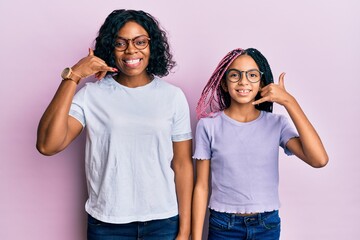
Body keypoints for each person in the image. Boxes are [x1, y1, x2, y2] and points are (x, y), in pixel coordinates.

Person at [36, 9, 193, 240]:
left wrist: (185, 228)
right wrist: (74, 75)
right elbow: (47, 145)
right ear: (111, 48)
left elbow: (182, 166)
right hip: (107, 224)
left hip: (163, 222)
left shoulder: (173, 96)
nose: (131, 50)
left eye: (140, 42)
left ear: (152, 46)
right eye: (121, 43)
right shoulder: (92, 95)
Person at [191, 48, 328, 240]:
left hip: (267, 225)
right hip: (224, 226)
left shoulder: (276, 124)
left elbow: (319, 159)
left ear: (262, 83)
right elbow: (201, 186)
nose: (243, 81)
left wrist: (289, 101)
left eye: (252, 75)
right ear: (223, 83)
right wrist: (195, 237)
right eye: (235, 75)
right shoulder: (209, 126)